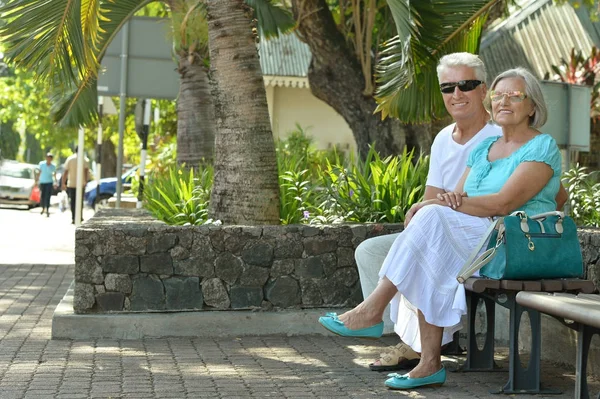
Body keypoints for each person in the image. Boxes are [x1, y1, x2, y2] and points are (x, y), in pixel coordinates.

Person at [319, 67, 564, 390]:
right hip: (476, 237)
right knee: (431, 243)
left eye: (515, 95)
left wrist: (438, 206)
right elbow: (458, 197)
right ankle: (428, 363)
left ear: (532, 106)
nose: (504, 101)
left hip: (512, 241)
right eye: (499, 95)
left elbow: (503, 204)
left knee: (432, 222)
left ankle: (374, 310)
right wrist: (436, 204)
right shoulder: (483, 149)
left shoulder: (541, 147)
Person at [61, 146, 89, 224]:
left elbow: (65, 172)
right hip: (81, 184)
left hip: (71, 183)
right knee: (80, 201)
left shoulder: (70, 159)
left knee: (73, 201)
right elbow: (86, 171)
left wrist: (63, 183)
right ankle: (79, 216)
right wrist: (86, 181)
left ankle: (74, 217)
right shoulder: (84, 160)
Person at [35, 152, 57, 217]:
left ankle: (47, 209)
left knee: (48, 196)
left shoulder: (53, 166)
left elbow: (54, 174)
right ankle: (42, 208)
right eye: (47, 158)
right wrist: (36, 180)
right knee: (43, 196)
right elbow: (39, 172)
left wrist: (55, 182)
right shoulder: (42, 164)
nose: (48, 159)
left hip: (49, 182)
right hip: (43, 182)